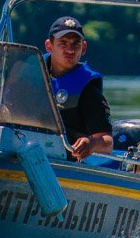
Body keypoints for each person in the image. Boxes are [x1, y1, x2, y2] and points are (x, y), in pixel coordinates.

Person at [44, 16, 113, 160]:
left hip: (66, 160)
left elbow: (107, 142)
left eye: (76, 43)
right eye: (63, 43)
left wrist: (92, 143)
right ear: (49, 46)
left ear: (84, 48)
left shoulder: (88, 91)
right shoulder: (30, 72)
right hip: (26, 149)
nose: (70, 49)